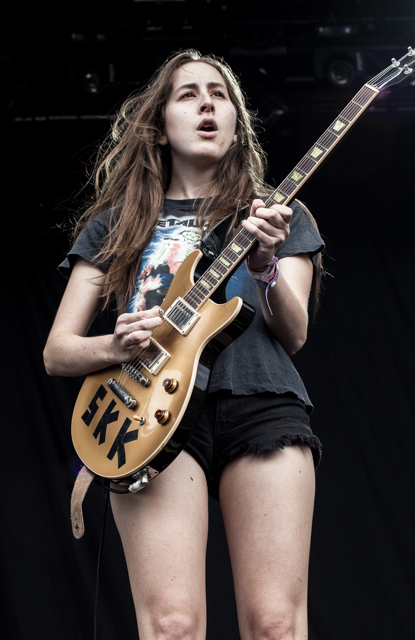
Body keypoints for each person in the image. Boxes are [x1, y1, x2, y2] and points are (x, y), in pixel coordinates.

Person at [43, 49, 324, 640]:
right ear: (159, 126)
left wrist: (267, 262)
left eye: (219, 94)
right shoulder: (117, 226)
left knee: (275, 623)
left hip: (262, 402)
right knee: (171, 625)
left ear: (236, 124)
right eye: (188, 93)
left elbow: (293, 334)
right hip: (151, 416)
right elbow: (58, 351)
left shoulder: (275, 213)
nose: (207, 104)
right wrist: (115, 346)